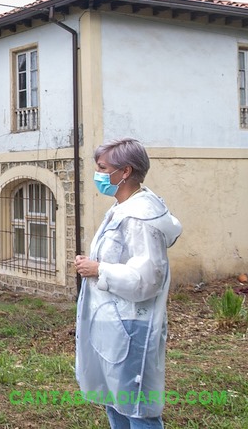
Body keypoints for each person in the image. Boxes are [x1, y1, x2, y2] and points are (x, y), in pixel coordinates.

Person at [74, 138, 182, 428]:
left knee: (138, 408)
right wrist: (97, 265)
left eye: (102, 167)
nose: (97, 174)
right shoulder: (121, 208)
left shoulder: (140, 217)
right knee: (116, 401)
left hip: (133, 326)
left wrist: (98, 269)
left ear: (124, 172)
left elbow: (147, 279)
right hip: (114, 323)